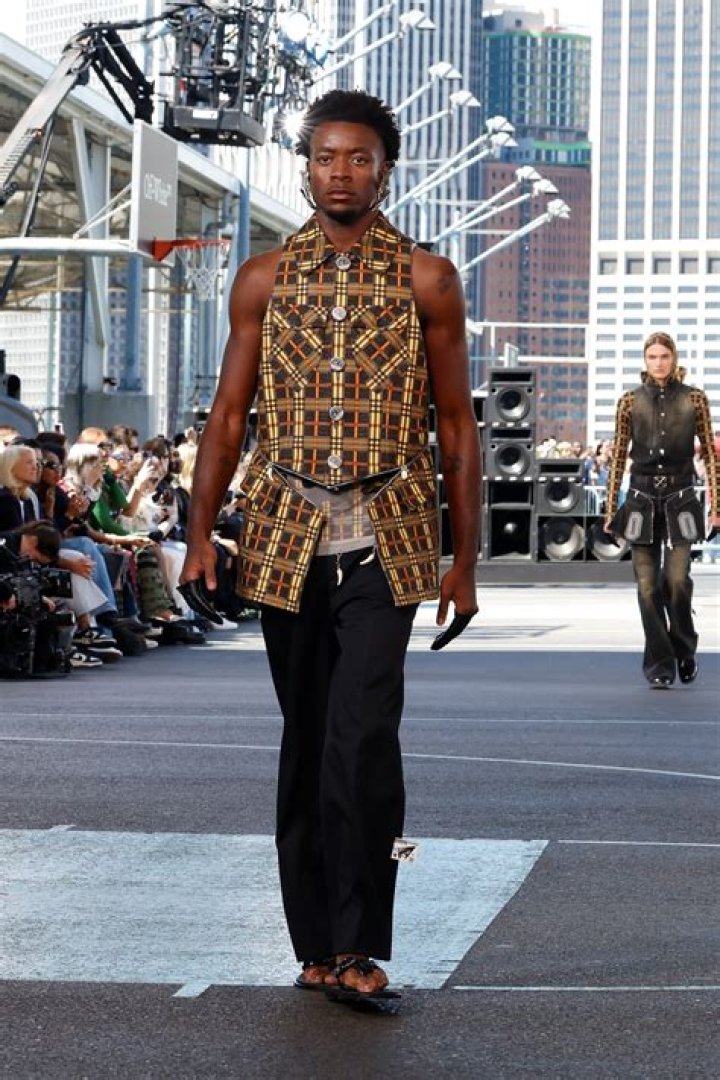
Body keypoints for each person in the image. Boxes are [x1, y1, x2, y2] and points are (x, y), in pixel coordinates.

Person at [181, 89, 481, 1002]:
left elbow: (458, 426)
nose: (341, 173)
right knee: (307, 740)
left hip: (390, 536)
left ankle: (359, 944)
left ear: (386, 171)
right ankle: (313, 945)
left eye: (359, 158)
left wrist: (465, 562)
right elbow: (229, 416)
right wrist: (199, 534)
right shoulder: (262, 279)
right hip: (283, 535)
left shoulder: (429, 279)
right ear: (304, 168)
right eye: (325, 158)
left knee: (364, 738)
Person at [604, 331, 719, 688]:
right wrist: (610, 510)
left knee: (677, 580)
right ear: (645, 360)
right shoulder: (628, 401)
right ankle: (660, 664)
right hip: (639, 500)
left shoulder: (695, 399)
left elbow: (711, 454)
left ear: (674, 358)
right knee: (647, 586)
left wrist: (716, 507)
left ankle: (684, 647)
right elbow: (618, 456)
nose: (658, 363)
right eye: (652, 357)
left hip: (681, 498)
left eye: (664, 356)